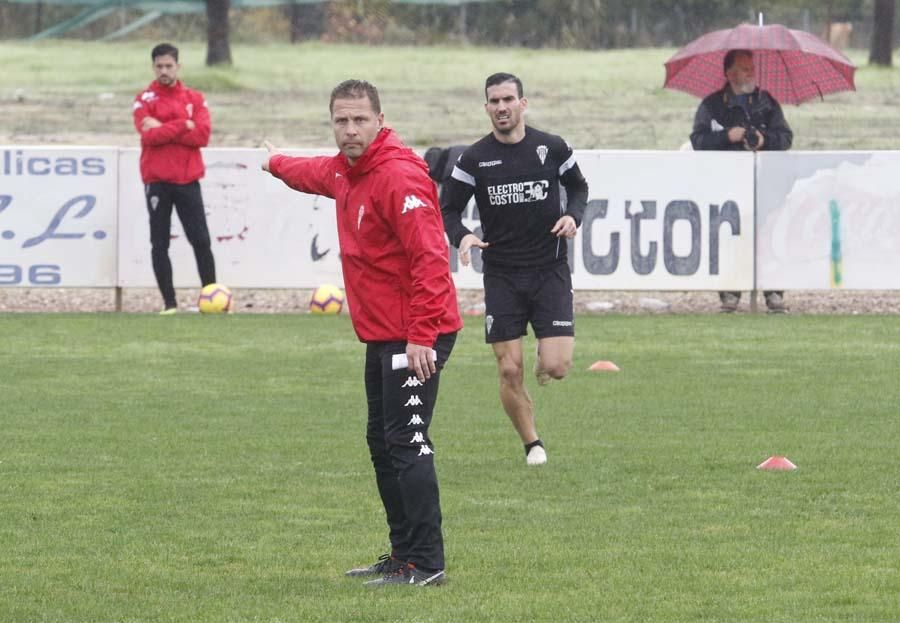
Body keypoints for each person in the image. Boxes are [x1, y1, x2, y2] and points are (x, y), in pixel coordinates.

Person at [262, 79, 463, 587]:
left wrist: (422, 335)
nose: (350, 130)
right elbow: (311, 173)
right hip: (384, 332)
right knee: (382, 440)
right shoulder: (346, 168)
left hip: (417, 331)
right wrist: (276, 162)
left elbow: (432, 260)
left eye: (359, 120)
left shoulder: (398, 177)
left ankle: (428, 563)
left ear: (379, 119)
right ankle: (403, 555)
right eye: (340, 121)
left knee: (407, 441)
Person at [441, 72, 589, 467]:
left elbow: (579, 188)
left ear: (523, 104)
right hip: (502, 275)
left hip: (550, 270)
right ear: (486, 107)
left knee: (557, 366)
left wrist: (574, 217)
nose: (501, 107)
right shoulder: (473, 158)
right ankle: (532, 444)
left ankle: (546, 359)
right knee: (509, 370)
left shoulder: (552, 147)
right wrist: (463, 236)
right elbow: (448, 208)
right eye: (494, 101)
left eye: (508, 99)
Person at [690, 49, 793, 314]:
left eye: (751, 68)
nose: (750, 73)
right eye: (744, 69)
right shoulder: (712, 106)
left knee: (770, 235)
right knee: (729, 237)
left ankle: (773, 292)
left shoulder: (767, 102)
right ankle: (730, 293)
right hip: (725, 184)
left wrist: (764, 140)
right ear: (729, 73)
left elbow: (785, 137)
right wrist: (728, 136)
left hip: (766, 182)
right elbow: (698, 141)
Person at [133, 42, 216, 314]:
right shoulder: (144, 99)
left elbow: (202, 136)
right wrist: (183, 125)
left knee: (201, 240)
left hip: (188, 179)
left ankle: (212, 300)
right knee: (160, 243)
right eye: (159, 66)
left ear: (178, 67)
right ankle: (169, 304)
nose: (164, 71)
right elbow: (149, 136)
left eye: (169, 66)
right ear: (153, 67)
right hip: (157, 180)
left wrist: (165, 127)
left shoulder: (194, 98)